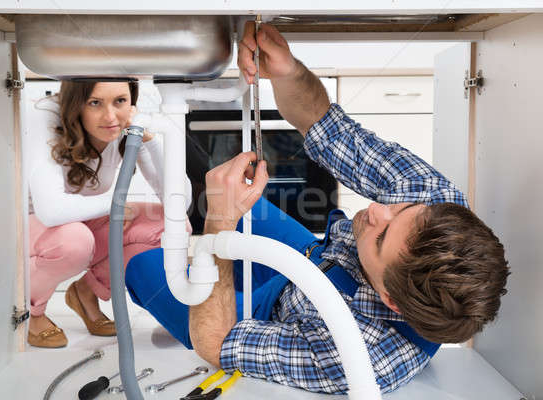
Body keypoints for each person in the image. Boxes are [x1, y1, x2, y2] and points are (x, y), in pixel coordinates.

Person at [125, 22, 510, 394]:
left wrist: (220, 225)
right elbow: (326, 126)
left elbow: (219, 342)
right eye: (401, 209)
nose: (379, 210)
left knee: (141, 267)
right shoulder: (433, 202)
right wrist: (287, 71)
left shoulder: (363, 356)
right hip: (313, 257)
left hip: (277, 316)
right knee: (219, 194)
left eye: (383, 236)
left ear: (390, 299)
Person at [26, 80, 192, 348]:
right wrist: (113, 204)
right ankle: (30, 310)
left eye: (120, 101)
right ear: (75, 105)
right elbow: (51, 210)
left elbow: (179, 201)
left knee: (170, 224)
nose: (110, 116)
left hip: (79, 220)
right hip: (29, 225)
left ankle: (86, 292)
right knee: (75, 241)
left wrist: (147, 140)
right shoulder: (46, 116)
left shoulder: (122, 127)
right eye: (95, 103)